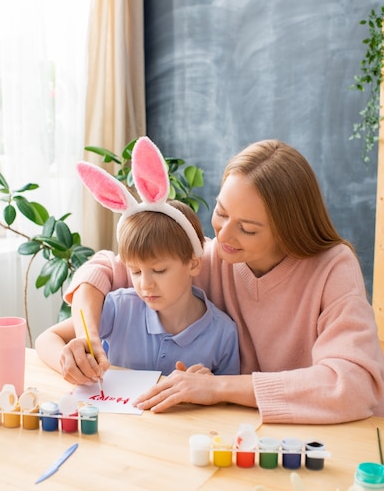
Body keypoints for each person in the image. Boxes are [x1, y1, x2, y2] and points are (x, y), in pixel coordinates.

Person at [58, 138, 384, 424]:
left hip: (326, 440)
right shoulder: (213, 257)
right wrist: (88, 336)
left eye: (248, 228)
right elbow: (105, 268)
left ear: (288, 230)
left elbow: (354, 385)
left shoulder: (333, 269)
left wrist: (218, 387)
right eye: (222, 212)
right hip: (238, 432)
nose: (224, 234)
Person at [35, 138, 240, 378]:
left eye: (159, 270)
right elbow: (46, 339)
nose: (145, 284)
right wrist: (68, 362)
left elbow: (228, 403)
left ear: (193, 263)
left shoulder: (223, 333)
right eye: (135, 271)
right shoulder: (118, 308)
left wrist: (211, 389)